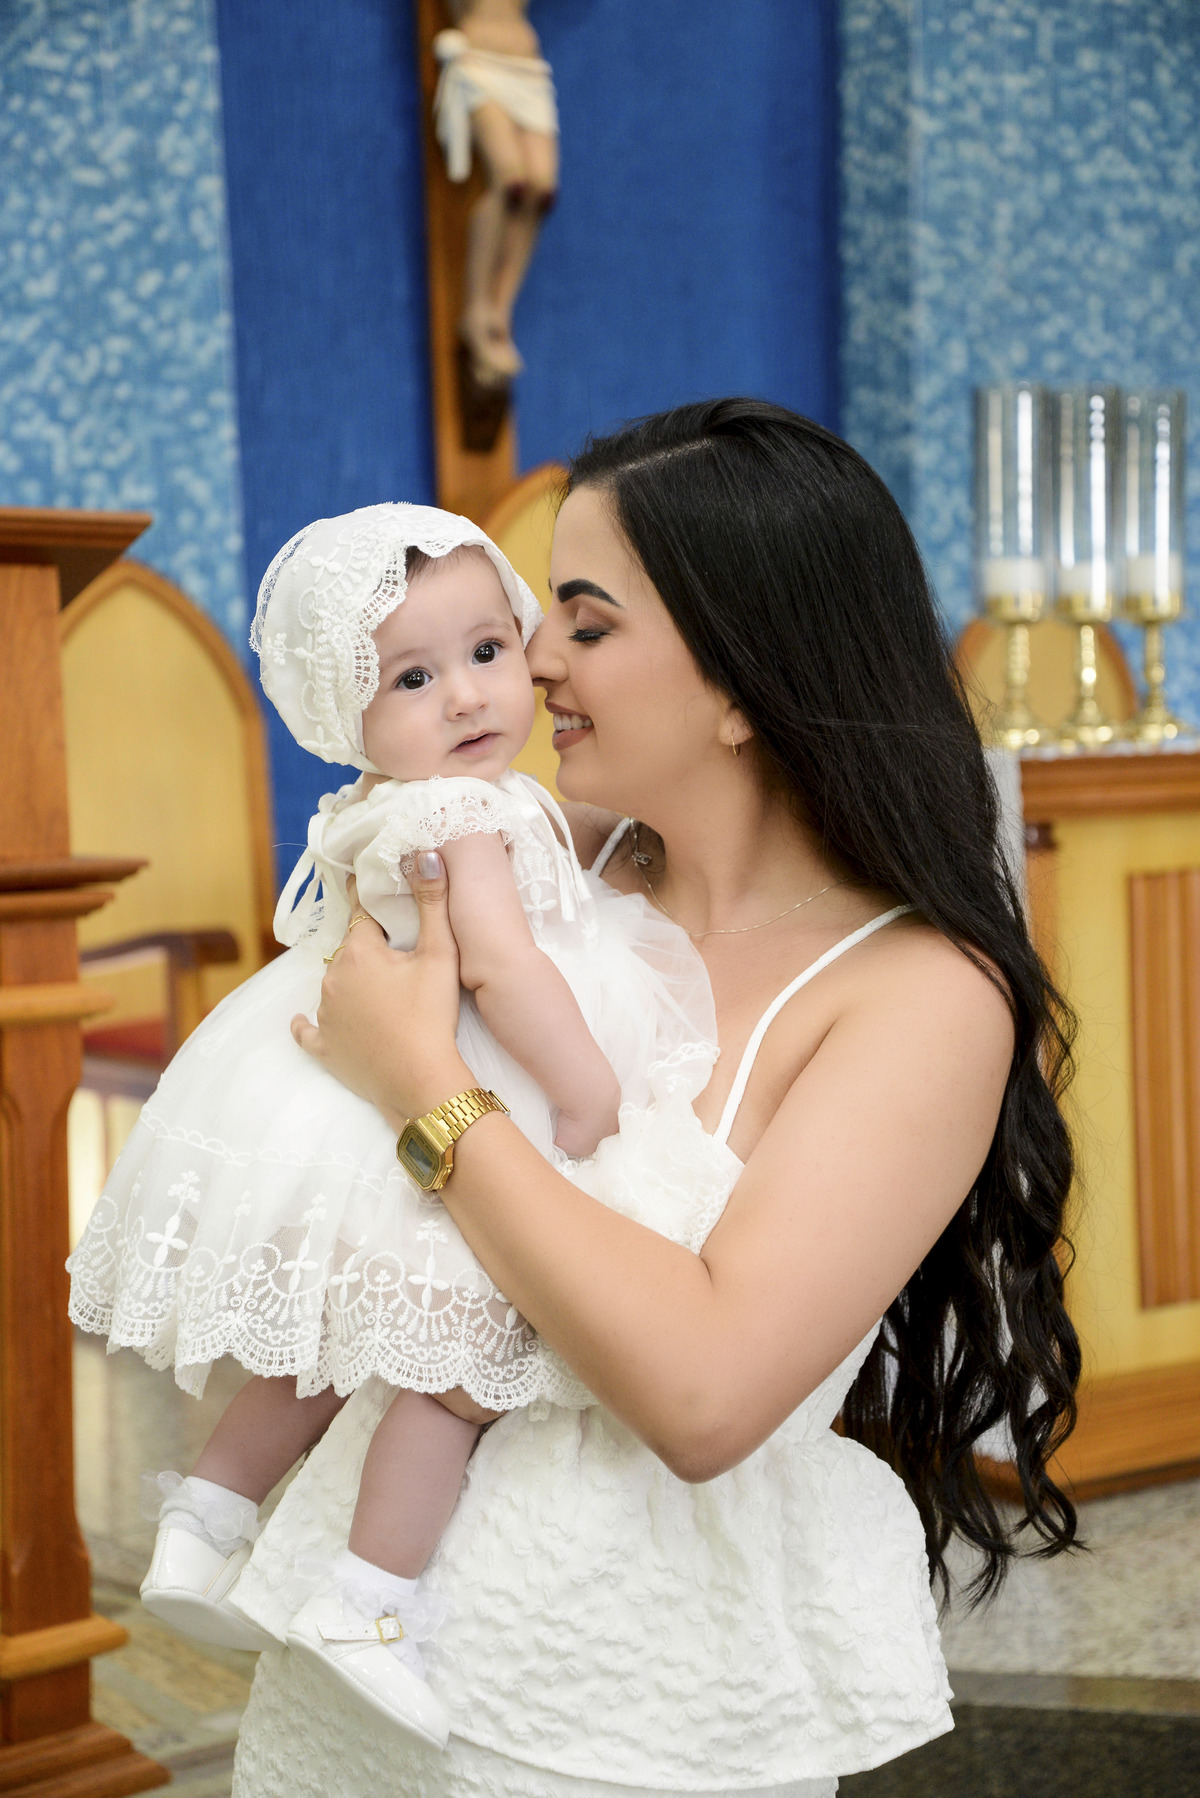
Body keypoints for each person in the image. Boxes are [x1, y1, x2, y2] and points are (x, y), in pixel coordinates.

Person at [229, 400, 1081, 1798]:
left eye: (587, 621)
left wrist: (430, 1091)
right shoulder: (547, 866)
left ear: (745, 682)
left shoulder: (922, 996)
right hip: (367, 1625)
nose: (533, 658)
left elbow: (703, 1393)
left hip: (622, 1702)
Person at [67, 503, 718, 1751]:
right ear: (345, 711)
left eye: (487, 651)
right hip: (462, 1097)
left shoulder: (376, 805)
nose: (467, 695)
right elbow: (506, 970)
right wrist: (586, 1085)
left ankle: (205, 1517)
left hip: (355, 1117)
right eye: (412, 678)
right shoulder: (465, 816)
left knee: (323, 1347)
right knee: (454, 1369)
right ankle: (371, 1601)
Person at [432, 1, 558, 387]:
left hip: (528, 63)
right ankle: (476, 310)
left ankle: (500, 310)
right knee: (511, 181)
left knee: (542, 189)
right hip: (479, 59)